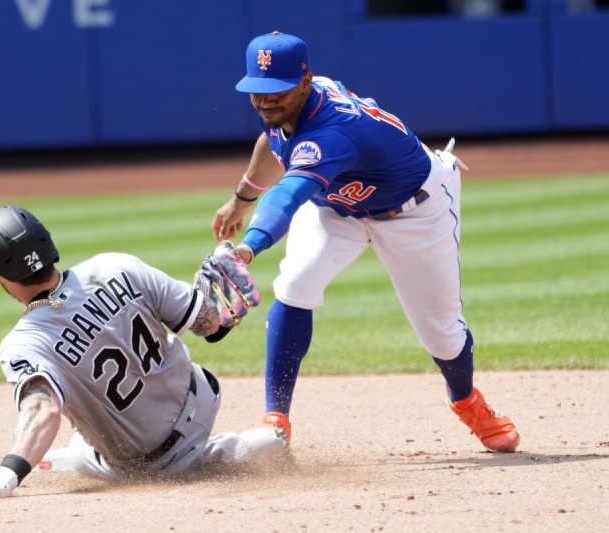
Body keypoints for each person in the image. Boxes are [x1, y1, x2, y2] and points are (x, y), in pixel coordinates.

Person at [212, 31, 519, 453]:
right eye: (258, 92)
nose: (266, 102)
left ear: (305, 82)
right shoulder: (292, 108)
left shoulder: (335, 131)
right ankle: (275, 419)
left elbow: (289, 194)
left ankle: (466, 400)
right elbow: (274, 140)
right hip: (339, 208)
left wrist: (247, 248)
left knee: (442, 335)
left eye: (277, 92)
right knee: (296, 284)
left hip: (415, 210)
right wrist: (242, 198)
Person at [0, 205, 286, 501]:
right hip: (203, 394)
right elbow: (211, 326)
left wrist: (8, 473)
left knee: (89, 449)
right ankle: (237, 447)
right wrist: (223, 313)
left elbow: (43, 410)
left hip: (153, 461)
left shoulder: (25, 341)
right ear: (49, 245)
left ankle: (231, 451)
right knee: (84, 447)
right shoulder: (116, 265)